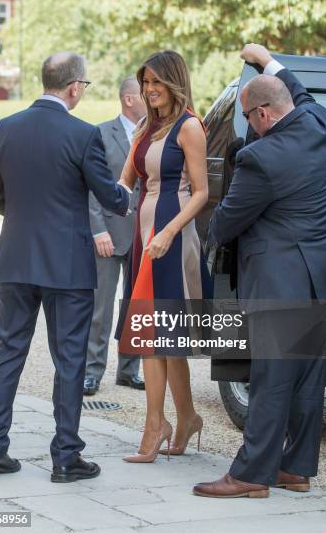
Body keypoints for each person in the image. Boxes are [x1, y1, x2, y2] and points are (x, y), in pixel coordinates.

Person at [193, 43, 326, 498]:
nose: (247, 126)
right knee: (306, 377)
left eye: (246, 117)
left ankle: (250, 475)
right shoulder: (323, 123)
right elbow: (298, 92)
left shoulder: (261, 159)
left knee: (271, 378)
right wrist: (266, 60)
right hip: (324, 277)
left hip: (280, 283)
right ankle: (295, 469)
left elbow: (225, 224)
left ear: (263, 114)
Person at [0, 52, 130, 483]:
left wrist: (26, 215)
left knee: (8, 352)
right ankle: (65, 456)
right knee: (69, 360)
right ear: (73, 87)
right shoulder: (83, 134)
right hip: (66, 264)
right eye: (84, 86)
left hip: (17, 258)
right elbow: (107, 195)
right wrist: (129, 196)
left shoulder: (4, 128)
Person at [115, 50, 213, 462]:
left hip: (173, 236)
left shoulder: (190, 126)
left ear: (173, 82)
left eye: (156, 82)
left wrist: (169, 233)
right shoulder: (144, 127)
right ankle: (185, 418)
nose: (149, 89)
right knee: (162, 336)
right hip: (144, 236)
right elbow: (124, 181)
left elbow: (202, 192)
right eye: (145, 82)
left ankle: (156, 428)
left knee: (158, 334)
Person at [84, 77, 146, 396]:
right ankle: (92, 372)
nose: (151, 98)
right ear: (128, 99)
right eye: (145, 94)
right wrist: (98, 229)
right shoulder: (100, 133)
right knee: (101, 306)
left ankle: (128, 370)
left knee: (136, 306)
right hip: (108, 233)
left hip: (142, 236)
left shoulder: (154, 134)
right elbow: (94, 185)